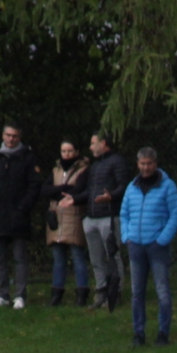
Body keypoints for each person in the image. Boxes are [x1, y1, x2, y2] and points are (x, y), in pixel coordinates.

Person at [119, 147, 177, 347]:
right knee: (137, 293)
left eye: (149, 164)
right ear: (138, 164)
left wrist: (162, 239)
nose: (145, 167)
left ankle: (163, 333)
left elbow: (176, 215)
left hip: (157, 247)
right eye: (142, 164)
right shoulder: (132, 187)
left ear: (155, 164)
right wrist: (126, 236)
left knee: (162, 292)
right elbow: (124, 214)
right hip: (136, 246)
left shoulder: (168, 186)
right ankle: (138, 334)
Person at [65, 132, 129, 311]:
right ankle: (101, 290)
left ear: (104, 143)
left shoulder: (117, 161)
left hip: (109, 216)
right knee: (96, 258)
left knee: (113, 256)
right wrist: (74, 199)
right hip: (91, 218)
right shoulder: (94, 166)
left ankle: (115, 292)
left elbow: (124, 186)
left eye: (93, 143)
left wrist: (111, 196)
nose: (91, 147)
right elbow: (90, 191)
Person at [0, 123, 41, 309]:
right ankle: (2, 295)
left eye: (14, 136)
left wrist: (23, 208)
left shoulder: (27, 159)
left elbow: (34, 186)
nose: (11, 139)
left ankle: (20, 295)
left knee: (19, 257)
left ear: (19, 137)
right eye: (8, 135)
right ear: (3, 136)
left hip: (18, 217)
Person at [45, 140, 91, 307]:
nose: (67, 154)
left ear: (77, 151)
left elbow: (78, 190)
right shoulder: (55, 170)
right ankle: (56, 293)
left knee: (78, 256)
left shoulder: (84, 170)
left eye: (70, 151)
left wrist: (57, 191)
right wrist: (63, 188)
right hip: (56, 218)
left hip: (74, 217)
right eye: (64, 151)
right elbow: (45, 189)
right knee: (58, 258)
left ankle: (82, 293)